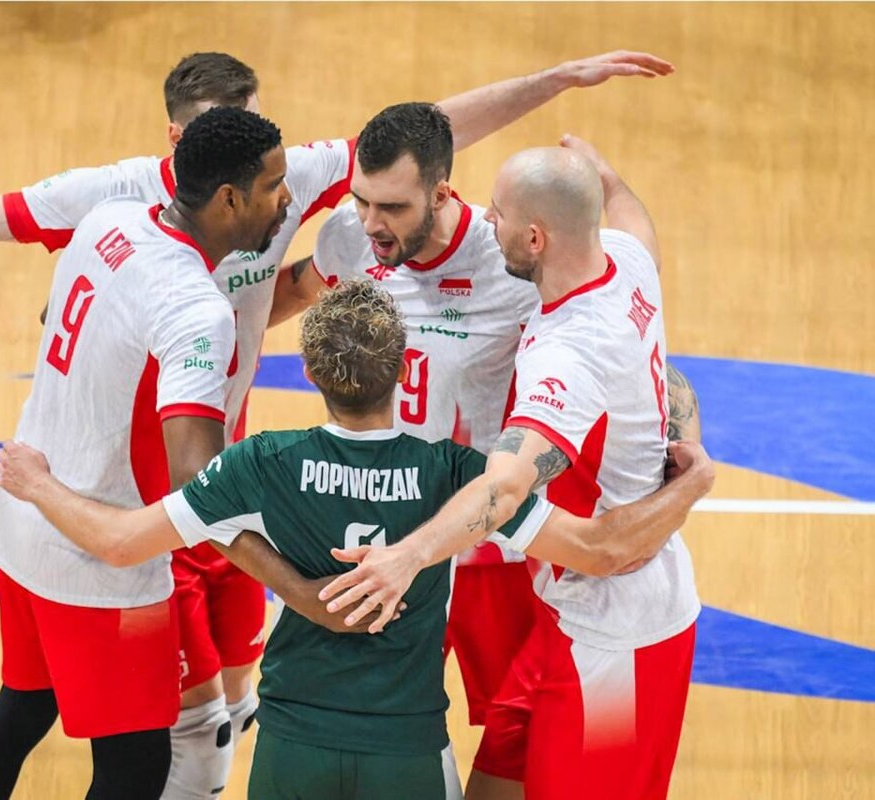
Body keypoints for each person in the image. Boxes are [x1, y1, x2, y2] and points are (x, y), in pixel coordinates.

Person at [0, 51, 676, 799]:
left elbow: (442, 142)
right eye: (287, 194)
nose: (305, 211)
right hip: (147, 524)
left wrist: (559, 86)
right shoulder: (189, 272)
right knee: (157, 748)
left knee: (62, 708)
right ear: (216, 178)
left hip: (490, 557)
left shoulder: (126, 230)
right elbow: (180, 494)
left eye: (378, 202)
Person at [0, 278, 714, 800]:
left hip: (293, 745)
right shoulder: (459, 478)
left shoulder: (261, 462)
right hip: (406, 751)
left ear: (310, 373)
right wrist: (689, 481)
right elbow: (595, 549)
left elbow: (121, 541)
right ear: (402, 368)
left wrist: (37, 484)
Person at [274, 101, 703, 793]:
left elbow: (525, 501)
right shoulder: (623, 262)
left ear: (535, 237)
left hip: (611, 627)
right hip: (567, 611)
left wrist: (407, 557)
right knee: (499, 775)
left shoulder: (566, 353)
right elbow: (633, 219)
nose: (482, 219)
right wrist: (601, 173)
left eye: (496, 214)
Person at [0, 106, 299, 800]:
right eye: (272, 186)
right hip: (95, 560)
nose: (286, 200)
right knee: (135, 768)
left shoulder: (111, 220)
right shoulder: (195, 308)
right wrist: (292, 553)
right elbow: (198, 478)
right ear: (229, 199)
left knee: (21, 709)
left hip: (23, 519)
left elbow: (60, 319)